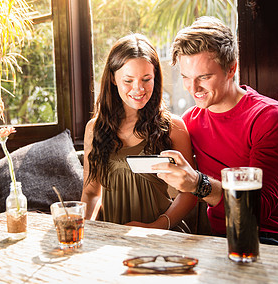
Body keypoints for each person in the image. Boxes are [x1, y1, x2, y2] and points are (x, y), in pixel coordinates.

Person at [153, 16, 278, 248]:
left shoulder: (271, 118)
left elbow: (257, 210)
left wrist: (198, 183)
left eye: (204, 77)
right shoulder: (190, 121)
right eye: (186, 78)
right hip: (222, 241)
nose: (193, 88)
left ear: (232, 69)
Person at [81, 33, 197, 231]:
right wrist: (86, 231)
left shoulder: (173, 128)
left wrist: (156, 227)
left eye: (146, 79)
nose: (138, 89)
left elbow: (190, 193)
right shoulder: (94, 129)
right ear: (113, 78)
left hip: (162, 236)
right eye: (128, 80)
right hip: (111, 240)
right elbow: (92, 193)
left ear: (156, 78)